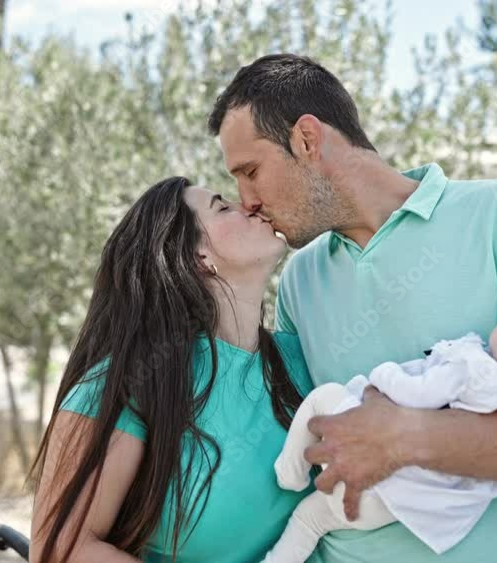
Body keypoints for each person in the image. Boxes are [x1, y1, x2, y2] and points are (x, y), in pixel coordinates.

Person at [208, 53, 497, 562]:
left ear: (307, 139)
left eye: (250, 171)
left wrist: (406, 437)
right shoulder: (299, 278)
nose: (244, 198)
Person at [29, 177, 315, 562]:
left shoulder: (305, 358)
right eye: (223, 207)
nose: (249, 204)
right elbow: (61, 549)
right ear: (198, 257)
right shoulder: (131, 382)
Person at [264, 306, 497, 563]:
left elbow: (418, 396)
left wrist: (385, 375)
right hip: (396, 509)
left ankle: (290, 472)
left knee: (323, 397)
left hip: (376, 476)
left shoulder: (475, 370)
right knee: (312, 521)